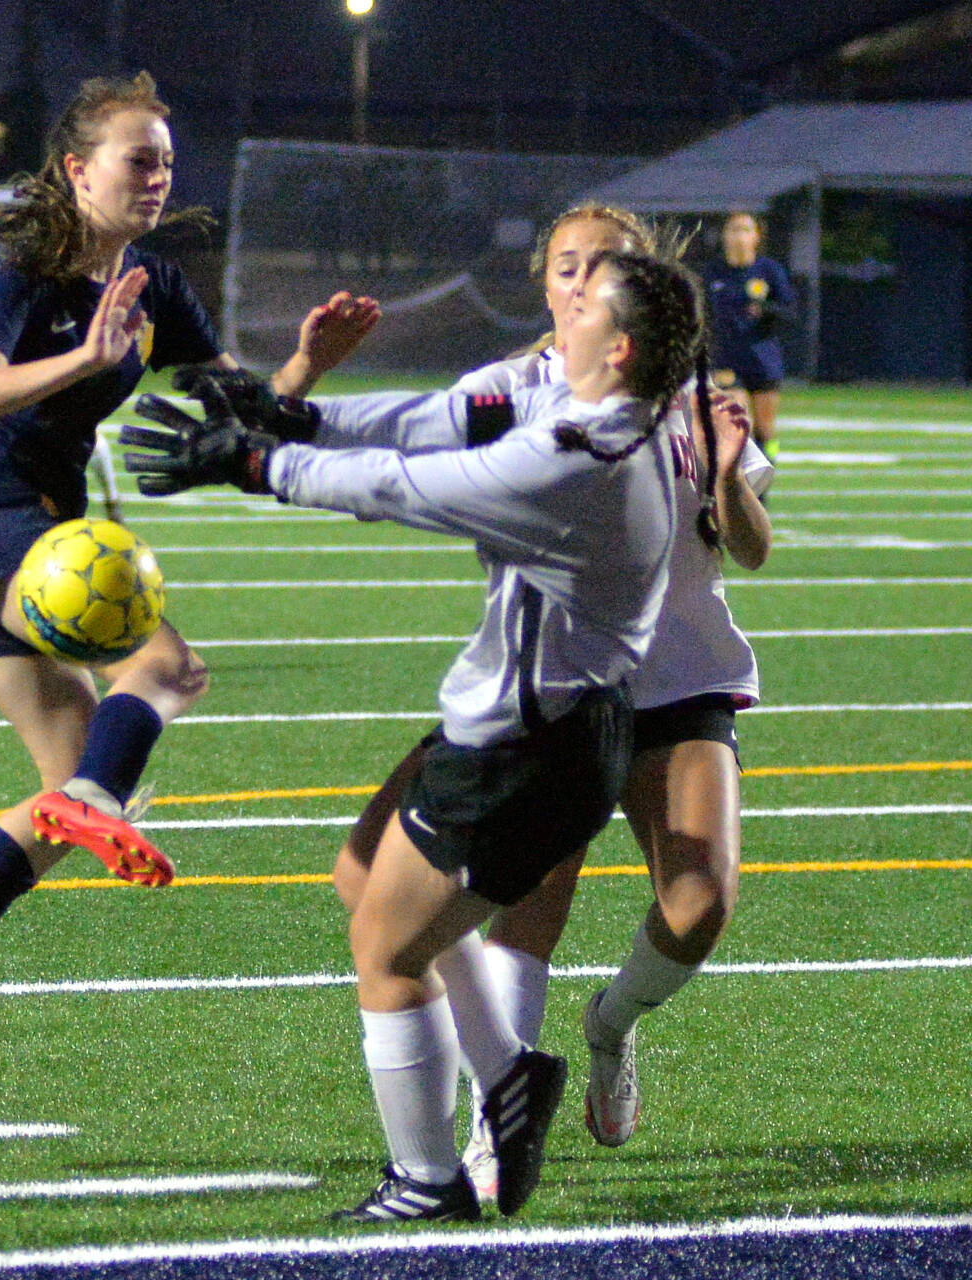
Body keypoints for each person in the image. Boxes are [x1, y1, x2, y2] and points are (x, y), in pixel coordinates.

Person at [122, 246, 710, 1222]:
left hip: (526, 749)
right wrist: (290, 410)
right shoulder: (610, 412)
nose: (555, 313)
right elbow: (437, 417)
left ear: (620, 346)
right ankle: (506, 1078)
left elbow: (405, 485)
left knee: (386, 948)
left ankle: (426, 1178)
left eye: (580, 302)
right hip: (541, 722)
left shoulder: (573, 459)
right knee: (363, 876)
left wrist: (255, 461)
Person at [0, 73, 379, 1094]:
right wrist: (82, 358)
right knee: (164, 667)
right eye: (138, 157)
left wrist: (304, 367)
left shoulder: (157, 287)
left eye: (166, 160)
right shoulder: (27, 261)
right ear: (76, 168)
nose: (156, 175)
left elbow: (237, 414)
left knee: (78, 782)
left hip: (22, 527)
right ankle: (95, 795)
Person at [429, 204, 772, 1202]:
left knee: (700, 898)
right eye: (567, 265)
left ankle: (609, 1024)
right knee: (531, 904)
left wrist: (722, 473)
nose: (585, 280)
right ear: (544, 281)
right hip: (562, 683)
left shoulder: (693, 389)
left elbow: (747, 545)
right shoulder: (510, 388)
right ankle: (497, 1118)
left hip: (679, 679)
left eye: (606, 264)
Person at [702, 210, 796, 463]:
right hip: (727, 359)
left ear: (756, 237)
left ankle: (765, 478)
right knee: (740, 425)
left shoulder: (770, 271)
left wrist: (765, 310)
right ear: (724, 236)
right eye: (733, 229)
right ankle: (740, 487)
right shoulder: (713, 273)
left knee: (765, 431)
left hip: (763, 360)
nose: (739, 236)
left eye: (745, 230)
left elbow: (790, 310)